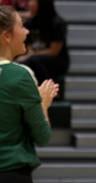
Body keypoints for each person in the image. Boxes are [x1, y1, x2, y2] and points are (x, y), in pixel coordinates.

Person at [0, 6, 59, 183]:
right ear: (7, 36)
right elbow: (42, 136)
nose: (27, 31)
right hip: (10, 172)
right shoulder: (20, 75)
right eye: (21, 26)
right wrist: (44, 104)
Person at [16, 0, 69, 86]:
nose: (29, 4)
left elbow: (53, 51)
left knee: (34, 61)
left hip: (56, 61)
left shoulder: (56, 23)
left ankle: (47, 89)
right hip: (34, 58)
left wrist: (32, 54)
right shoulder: (30, 23)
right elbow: (28, 47)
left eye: (32, 1)